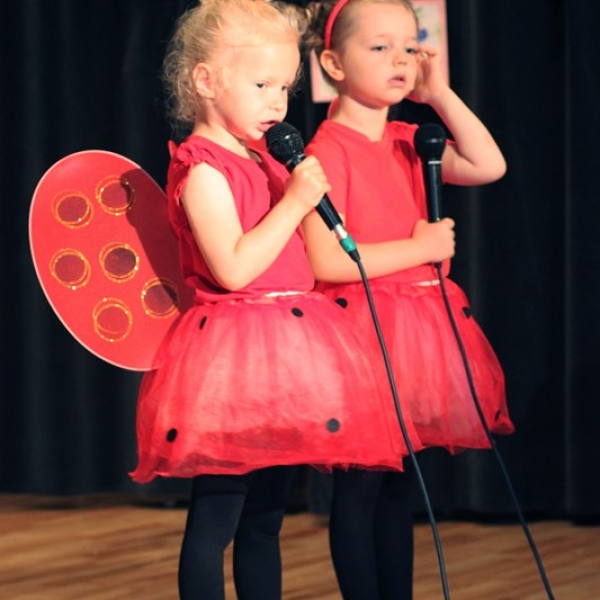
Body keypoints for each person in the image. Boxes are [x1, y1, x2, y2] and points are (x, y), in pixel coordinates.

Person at [129, 1, 414, 599]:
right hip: (233, 357)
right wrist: (294, 203)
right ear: (206, 81)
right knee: (218, 518)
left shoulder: (264, 158)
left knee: (265, 520)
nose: (277, 103)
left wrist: (302, 197)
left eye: (284, 87)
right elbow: (234, 268)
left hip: (287, 352)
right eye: (261, 85)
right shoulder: (203, 169)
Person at [301, 1, 516, 599]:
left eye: (409, 46)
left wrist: (439, 95)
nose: (400, 59)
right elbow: (328, 261)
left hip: (416, 331)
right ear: (333, 63)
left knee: (400, 484)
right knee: (361, 486)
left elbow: (490, 165)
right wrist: (419, 247)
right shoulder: (327, 151)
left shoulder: (410, 140)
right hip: (359, 333)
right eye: (379, 47)